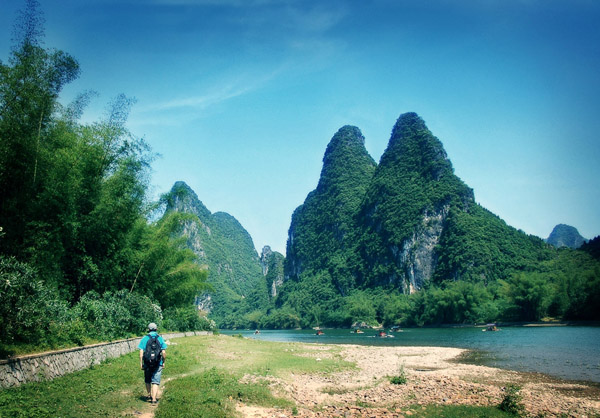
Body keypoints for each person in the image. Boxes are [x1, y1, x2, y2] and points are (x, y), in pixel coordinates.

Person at [138, 322, 167, 405]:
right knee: (155, 381)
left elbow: (141, 353)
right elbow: (164, 353)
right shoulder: (160, 338)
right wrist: (163, 362)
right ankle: (154, 399)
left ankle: (149, 395)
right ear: (156, 329)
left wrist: (141, 363)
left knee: (148, 380)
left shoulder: (144, 338)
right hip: (158, 363)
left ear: (148, 329)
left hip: (147, 363)